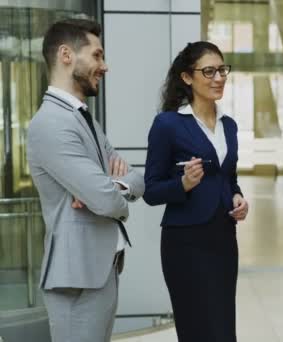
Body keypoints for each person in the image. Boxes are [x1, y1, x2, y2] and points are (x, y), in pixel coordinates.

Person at [26, 18, 144, 342]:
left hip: (100, 268)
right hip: (76, 277)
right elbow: (105, 199)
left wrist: (108, 185)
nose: (104, 66)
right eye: (97, 55)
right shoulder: (51, 123)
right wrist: (104, 189)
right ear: (66, 55)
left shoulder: (84, 118)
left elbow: (136, 180)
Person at [143, 41, 248, 342]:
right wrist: (183, 185)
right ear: (187, 78)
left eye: (222, 70)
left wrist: (237, 197)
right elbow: (151, 190)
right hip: (185, 244)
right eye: (209, 71)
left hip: (224, 239)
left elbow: (229, 177)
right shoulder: (167, 124)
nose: (219, 78)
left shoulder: (229, 126)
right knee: (196, 330)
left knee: (224, 329)